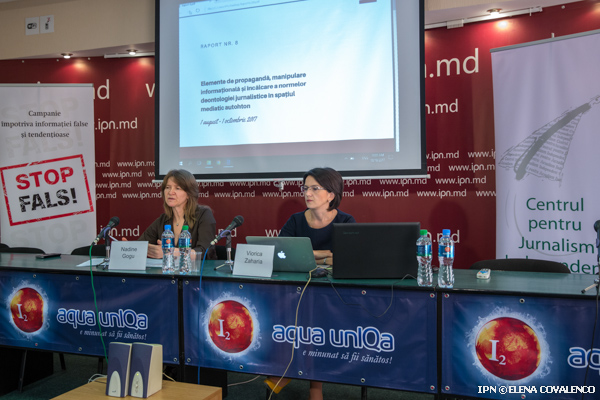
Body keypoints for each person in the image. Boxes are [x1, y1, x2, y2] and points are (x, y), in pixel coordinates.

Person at [266, 167, 355, 400]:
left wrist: (308, 254)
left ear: (331, 194)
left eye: (315, 188)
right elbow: (282, 252)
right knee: (297, 313)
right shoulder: (296, 220)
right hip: (300, 288)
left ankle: (309, 384)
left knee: (316, 318)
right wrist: (327, 255)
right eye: (306, 188)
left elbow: (347, 257)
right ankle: (298, 374)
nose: (307, 193)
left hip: (334, 292)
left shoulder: (346, 221)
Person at [134, 169, 216, 260]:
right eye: (168, 187)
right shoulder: (163, 220)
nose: (170, 192)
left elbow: (205, 252)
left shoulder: (203, 215)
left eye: (177, 188)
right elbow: (141, 243)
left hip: (199, 269)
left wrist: (171, 252)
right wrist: (132, 248)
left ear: (189, 194)